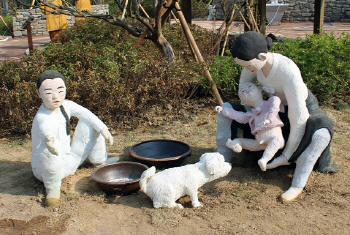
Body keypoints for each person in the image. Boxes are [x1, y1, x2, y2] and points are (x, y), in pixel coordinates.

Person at [216, 31, 338, 202]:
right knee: (226, 109)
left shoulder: (287, 72)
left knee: (321, 134)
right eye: (243, 66)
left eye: (249, 65)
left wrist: (286, 155)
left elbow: (298, 116)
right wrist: (253, 110)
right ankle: (221, 159)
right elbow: (244, 84)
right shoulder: (253, 64)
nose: (248, 70)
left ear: (261, 56)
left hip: (301, 110)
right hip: (270, 109)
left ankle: (297, 183)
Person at [31, 70, 118, 207]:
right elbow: (44, 128)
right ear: (39, 94)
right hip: (48, 168)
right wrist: (49, 140)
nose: (55, 96)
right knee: (47, 150)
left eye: (60, 91)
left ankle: (100, 160)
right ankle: (52, 188)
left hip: (69, 160)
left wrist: (103, 129)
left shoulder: (66, 105)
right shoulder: (42, 116)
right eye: (48, 93)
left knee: (90, 123)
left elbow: (86, 113)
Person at [215, 82, 284, 171]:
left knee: (278, 141)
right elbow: (239, 116)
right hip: (259, 141)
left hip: (273, 137)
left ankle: (264, 160)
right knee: (246, 143)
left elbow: (275, 103)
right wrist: (223, 110)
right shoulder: (252, 114)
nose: (247, 90)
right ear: (243, 103)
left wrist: (270, 119)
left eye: (250, 86)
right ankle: (236, 143)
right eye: (243, 91)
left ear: (260, 90)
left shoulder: (269, 103)